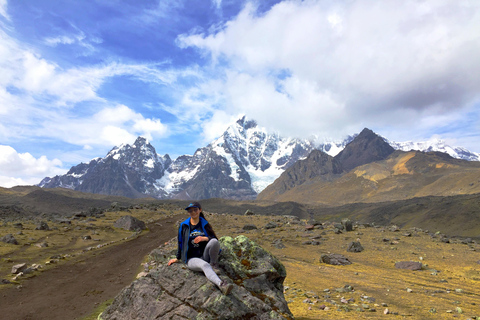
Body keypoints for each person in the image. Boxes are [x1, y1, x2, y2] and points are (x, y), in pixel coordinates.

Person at [167, 202, 233, 295]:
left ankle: (213, 264)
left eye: (195, 210)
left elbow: (214, 239)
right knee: (205, 265)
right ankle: (222, 285)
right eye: (190, 211)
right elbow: (180, 242)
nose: (193, 212)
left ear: (200, 210)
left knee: (214, 242)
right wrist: (177, 258)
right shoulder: (184, 226)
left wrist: (204, 238)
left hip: (204, 255)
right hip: (191, 258)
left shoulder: (204, 224)